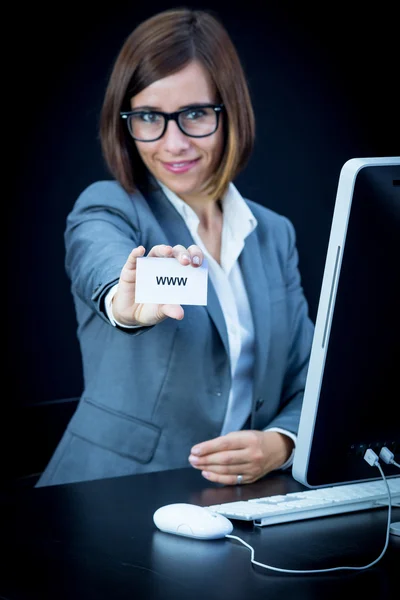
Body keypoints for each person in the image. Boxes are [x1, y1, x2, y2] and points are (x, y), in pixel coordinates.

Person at [36, 7, 314, 488]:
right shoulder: (107, 206)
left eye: (194, 114)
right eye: (148, 117)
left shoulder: (273, 234)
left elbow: (309, 377)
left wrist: (280, 443)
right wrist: (123, 302)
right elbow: (97, 259)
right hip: (105, 497)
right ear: (126, 121)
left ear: (230, 112)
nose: (174, 142)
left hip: (232, 508)